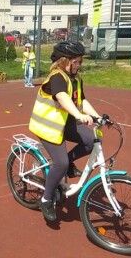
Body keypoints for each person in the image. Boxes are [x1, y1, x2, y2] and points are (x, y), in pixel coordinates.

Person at [29, 41, 100, 222]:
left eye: (79, 62)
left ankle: (68, 165)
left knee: (92, 140)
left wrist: (98, 117)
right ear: (63, 61)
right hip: (48, 126)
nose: (78, 65)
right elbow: (62, 97)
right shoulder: (57, 77)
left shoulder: (75, 78)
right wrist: (78, 115)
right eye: (75, 61)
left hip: (64, 123)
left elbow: (81, 101)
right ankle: (45, 199)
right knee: (59, 163)